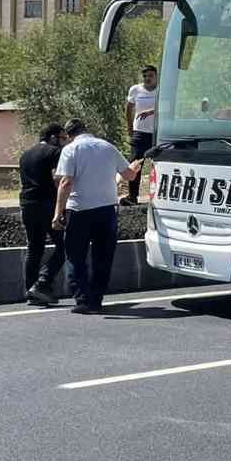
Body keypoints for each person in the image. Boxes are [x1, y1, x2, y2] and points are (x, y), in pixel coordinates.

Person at [53, 119, 137, 315]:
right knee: (103, 257)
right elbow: (130, 176)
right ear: (86, 129)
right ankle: (96, 299)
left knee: (76, 256)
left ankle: (83, 300)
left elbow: (66, 182)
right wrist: (134, 167)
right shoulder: (107, 147)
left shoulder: (71, 150)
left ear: (68, 135)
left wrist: (58, 213)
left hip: (79, 210)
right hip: (107, 210)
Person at [19, 122, 67, 306]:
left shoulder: (25, 155)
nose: (64, 142)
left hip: (27, 204)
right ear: (52, 137)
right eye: (62, 138)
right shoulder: (54, 152)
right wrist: (61, 207)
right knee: (64, 247)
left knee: (34, 248)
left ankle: (31, 291)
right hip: (47, 205)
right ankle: (41, 284)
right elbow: (58, 179)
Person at [123, 64, 159, 205]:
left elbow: (166, 107)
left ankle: (154, 196)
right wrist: (130, 127)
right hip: (140, 132)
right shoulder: (136, 90)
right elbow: (129, 108)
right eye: (145, 76)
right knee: (136, 163)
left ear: (156, 76)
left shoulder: (161, 90)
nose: (147, 78)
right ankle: (133, 196)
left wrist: (150, 112)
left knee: (155, 164)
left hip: (156, 133)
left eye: (150, 76)